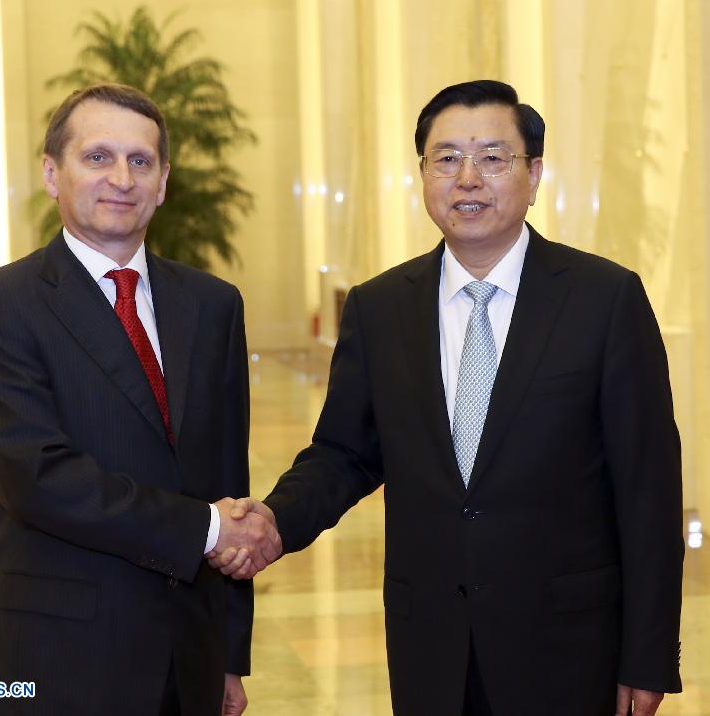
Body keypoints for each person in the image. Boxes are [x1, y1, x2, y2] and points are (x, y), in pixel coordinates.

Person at [211, 80, 683, 716]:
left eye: (493, 157)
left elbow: (649, 491)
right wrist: (272, 524)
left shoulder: (605, 300)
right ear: (423, 176)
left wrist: (647, 656)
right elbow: (344, 453)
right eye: (447, 158)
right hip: (431, 644)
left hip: (569, 647)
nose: (469, 179)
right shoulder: (380, 309)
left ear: (534, 173)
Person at [0, 83, 280, 716]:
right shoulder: (0, 305)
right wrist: (209, 527)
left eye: (141, 161)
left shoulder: (213, 306)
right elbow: (40, 478)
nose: (121, 178)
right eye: (98, 157)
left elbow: (225, 477)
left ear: (163, 182)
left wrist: (227, 655)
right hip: (52, 652)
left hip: (184, 655)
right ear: (53, 173)